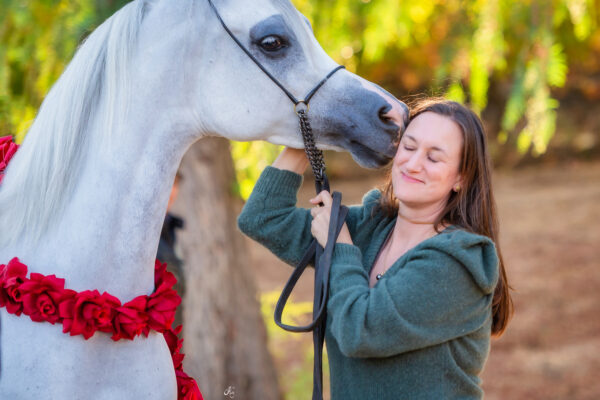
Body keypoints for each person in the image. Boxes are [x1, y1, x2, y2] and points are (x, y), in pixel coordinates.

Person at [238, 98, 513, 399]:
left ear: (461, 177)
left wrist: (339, 244)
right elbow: (263, 218)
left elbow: (361, 332)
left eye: (433, 158)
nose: (413, 163)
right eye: (408, 147)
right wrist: (306, 136)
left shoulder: (458, 261)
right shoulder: (371, 226)